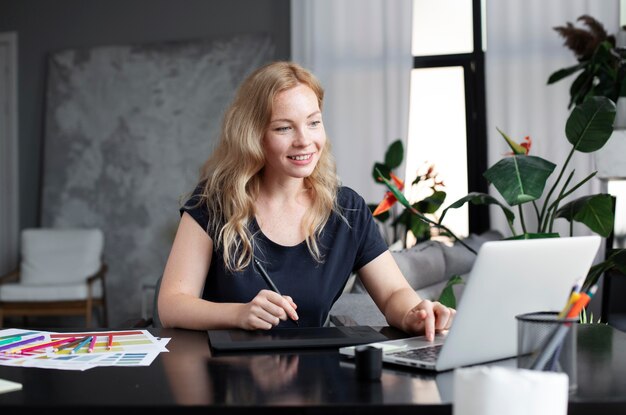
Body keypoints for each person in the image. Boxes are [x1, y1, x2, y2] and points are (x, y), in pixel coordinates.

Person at [158, 61, 455, 341]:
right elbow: (172, 305)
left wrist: (416, 313)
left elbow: (393, 294)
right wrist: (239, 313)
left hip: (315, 379)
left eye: (313, 123)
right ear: (254, 135)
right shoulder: (212, 202)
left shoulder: (347, 210)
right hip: (227, 382)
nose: (304, 140)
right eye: (284, 128)